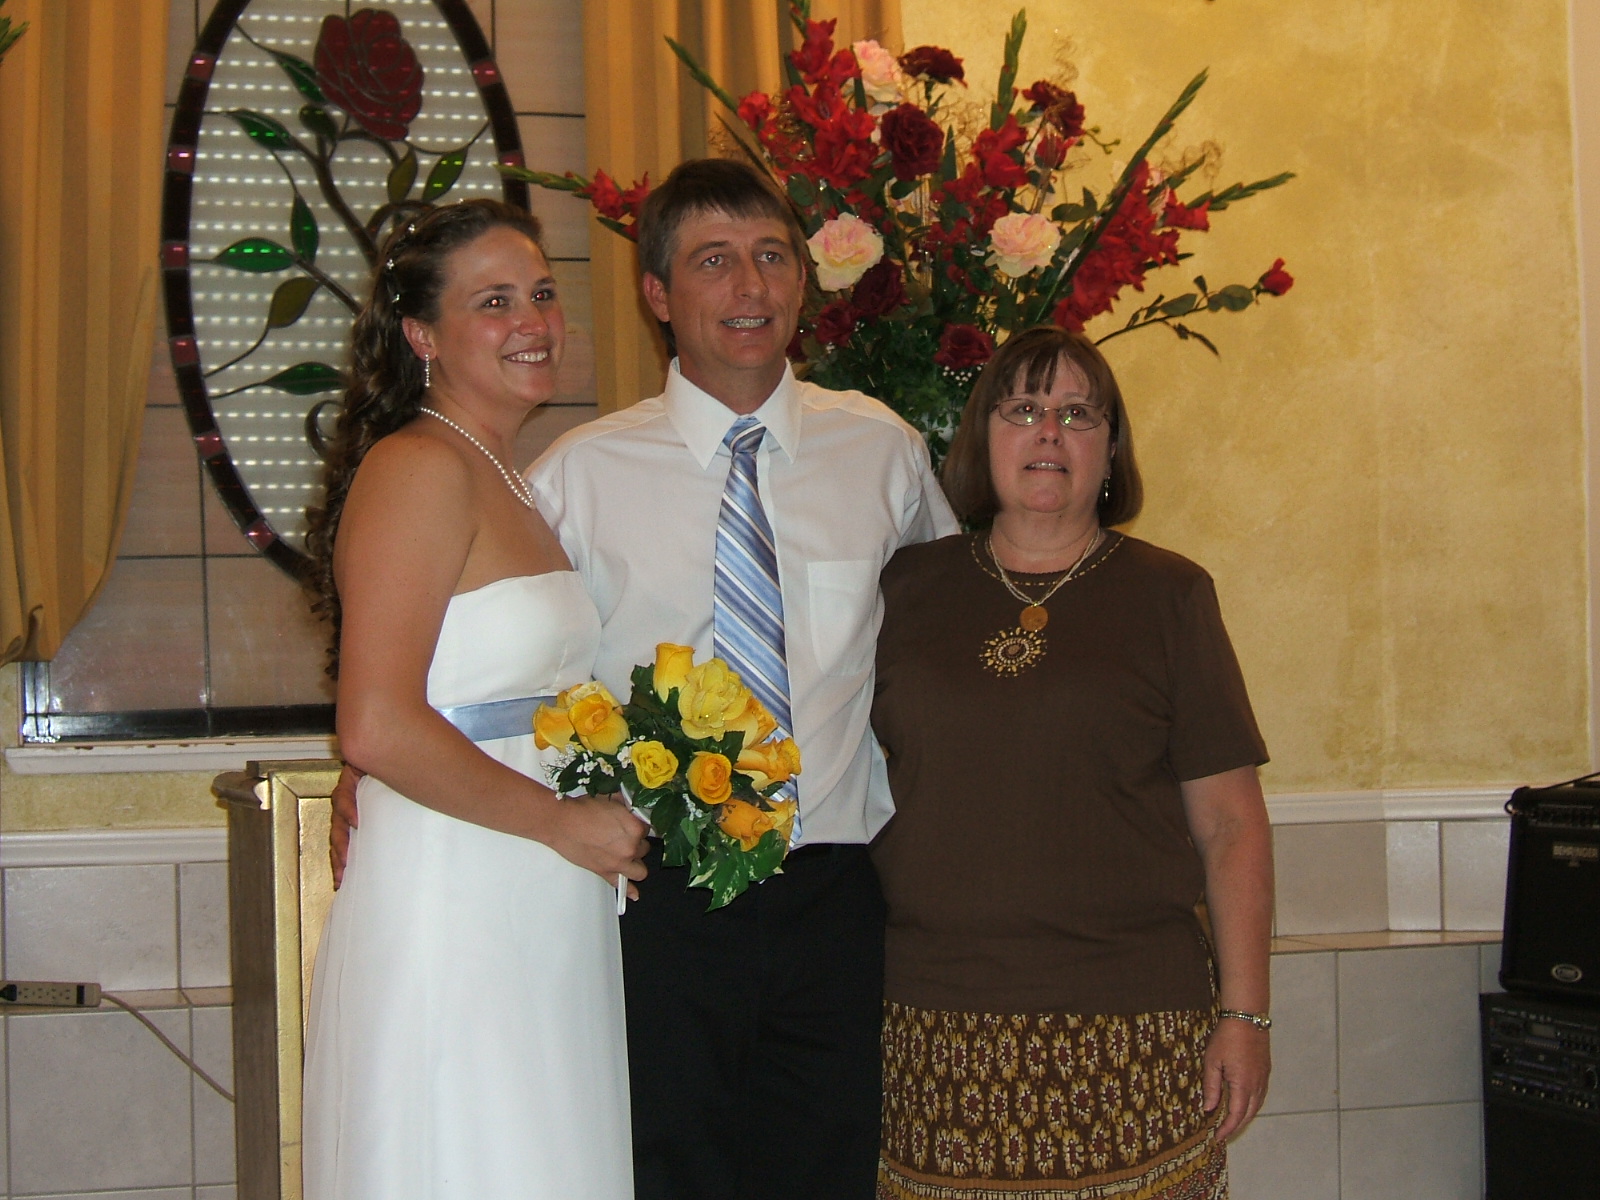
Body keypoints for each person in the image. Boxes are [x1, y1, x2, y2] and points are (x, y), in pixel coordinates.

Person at [870, 325, 1273, 1200]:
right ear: (981, 438)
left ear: (1111, 449)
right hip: (936, 1026)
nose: (1049, 431)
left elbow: (1231, 825)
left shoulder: (1170, 595)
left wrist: (1245, 1015)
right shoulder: (905, 590)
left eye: (1078, 413)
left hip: (1134, 1025)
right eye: (1021, 409)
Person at [300, 198, 649, 1200]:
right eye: (493, 302)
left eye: (541, 294)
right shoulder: (418, 466)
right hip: (461, 894)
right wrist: (559, 822)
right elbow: (375, 723)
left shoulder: (506, 474)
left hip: (535, 891)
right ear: (422, 335)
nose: (532, 322)